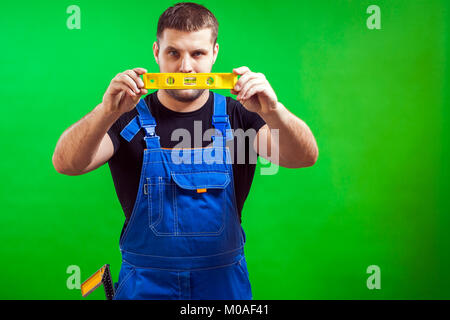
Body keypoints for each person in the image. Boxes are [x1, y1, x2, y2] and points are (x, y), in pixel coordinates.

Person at [52, 2, 318, 300]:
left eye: (198, 53)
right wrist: (106, 111)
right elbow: (66, 163)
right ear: (156, 52)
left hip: (222, 289)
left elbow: (304, 157)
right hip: (144, 289)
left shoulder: (241, 117)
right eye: (173, 53)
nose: (186, 67)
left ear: (214, 53)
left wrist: (274, 110)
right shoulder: (125, 119)